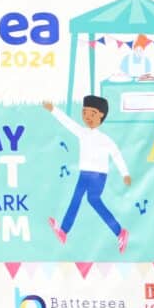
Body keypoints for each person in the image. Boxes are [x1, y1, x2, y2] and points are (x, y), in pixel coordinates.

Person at [44, 95, 132, 253]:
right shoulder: (82, 132)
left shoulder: (105, 139)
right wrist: (54, 110)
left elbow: (116, 154)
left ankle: (120, 232)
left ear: (101, 116)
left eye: (92, 114)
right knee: (78, 199)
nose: (87, 117)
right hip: (84, 174)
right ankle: (64, 231)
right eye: (85, 113)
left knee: (93, 200)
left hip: (98, 175)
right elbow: (68, 123)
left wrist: (125, 173)